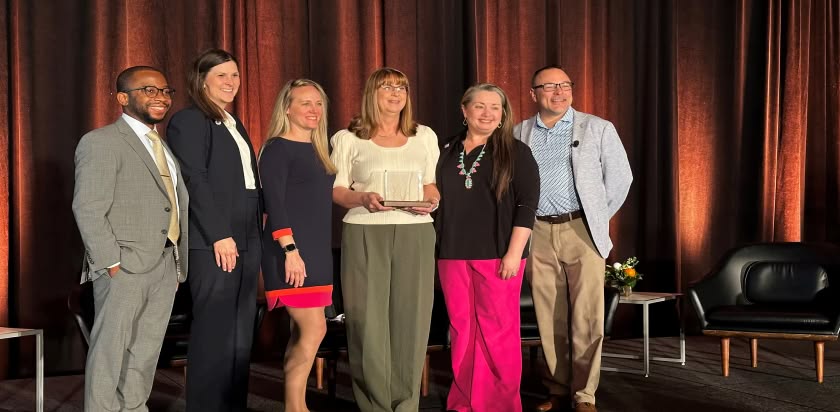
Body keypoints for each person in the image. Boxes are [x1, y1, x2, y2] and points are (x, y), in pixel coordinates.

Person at [514, 66, 633, 412]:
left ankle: (584, 395)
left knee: (587, 315)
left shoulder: (597, 128)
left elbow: (620, 178)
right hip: (537, 230)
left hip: (581, 228)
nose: (559, 92)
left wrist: (595, 215)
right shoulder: (520, 132)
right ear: (533, 93)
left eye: (565, 85)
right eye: (549, 86)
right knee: (549, 313)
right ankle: (557, 387)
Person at [73, 66, 188, 411]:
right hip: (123, 267)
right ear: (123, 98)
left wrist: (176, 262)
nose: (161, 98)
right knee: (111, 350)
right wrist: (111, 262)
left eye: (166, 91)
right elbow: (88, 208)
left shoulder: (162, 147)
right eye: (149, 90)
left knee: (146, 349)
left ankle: (134, 408)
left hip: (166, 265)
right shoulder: (101, 142)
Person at [330, 67, 440, 411]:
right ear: (371, 94)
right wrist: (362, 198)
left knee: (413, 318)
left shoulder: (424, 136)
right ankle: (375, 404)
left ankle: (405, 404)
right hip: (364, 231)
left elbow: (431, 183)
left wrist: (433, 198)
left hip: (416, 232)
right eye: (387, 87)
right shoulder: (348, 138)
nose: (395, 93)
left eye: (401, 87)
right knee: (367, 322)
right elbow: (337, 191)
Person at [166, 49, 262, 412]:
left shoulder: (233, 123)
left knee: (240, 335)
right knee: (214, 334)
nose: (231, 82)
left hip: (248, 236)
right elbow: (195, 179)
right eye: (221, 75)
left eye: (235, 75)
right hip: (215, 241)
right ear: (202, 80)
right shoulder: (189, 120)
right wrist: (220, 234)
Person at [436, 83, 539, 412]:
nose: (487, 113)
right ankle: (464, 403)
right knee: (462, 330)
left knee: (498, 332)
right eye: (479, 106)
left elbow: (527, 205)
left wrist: (513, 252)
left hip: (499, 253)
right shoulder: (447, 149)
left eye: (495, 107)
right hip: (451, 253)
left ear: (503, 114)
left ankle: (501, 404)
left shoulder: (516, 151)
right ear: (464, 111)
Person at [259, 79, 336, 412]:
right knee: (314, 328)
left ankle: (296, 404)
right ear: (286, 108)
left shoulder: (320, 149)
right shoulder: (278, 148)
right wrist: (290, 251)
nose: (313, 110)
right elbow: (274, 204)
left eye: (318, 103)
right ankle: (295, 407)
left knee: (304, 333)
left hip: (317, 252)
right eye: (305, 103)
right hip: (291, 252)